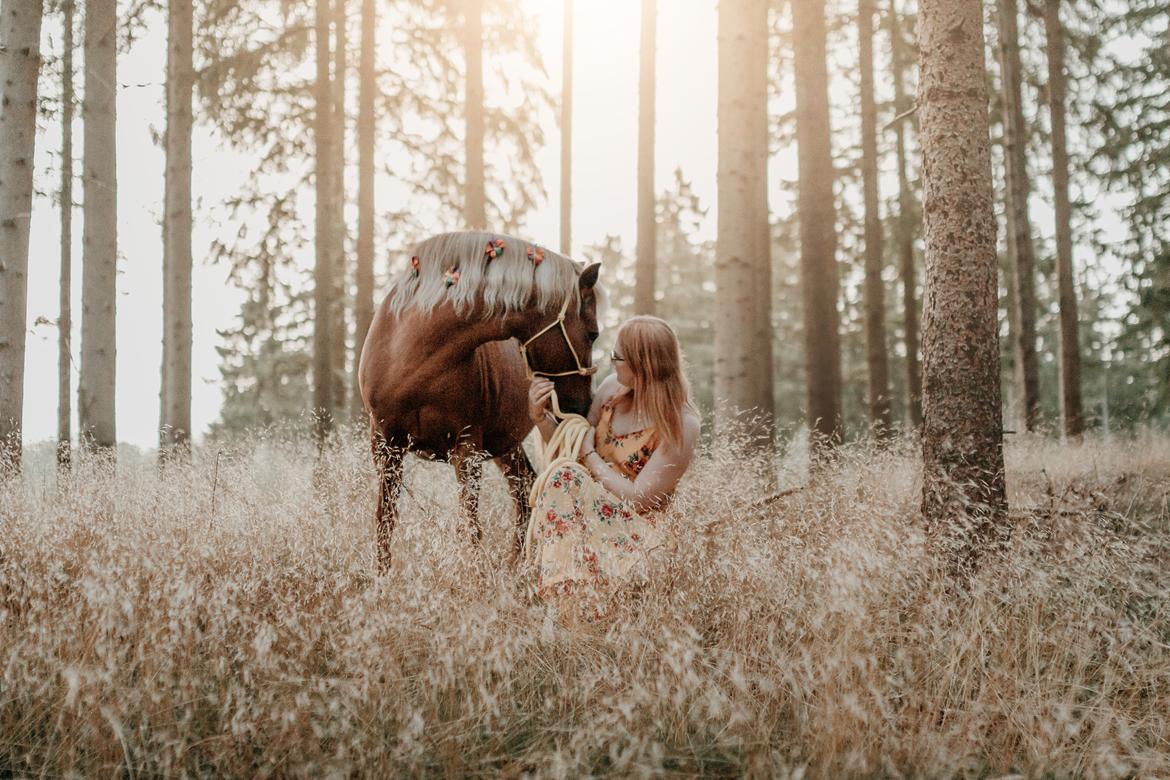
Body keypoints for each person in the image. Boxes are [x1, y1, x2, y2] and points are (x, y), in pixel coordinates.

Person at [526, 315, 701, 619]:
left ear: (643, 366)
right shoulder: (611, 390)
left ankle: (569, 610)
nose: (611, 362)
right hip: (589, 505)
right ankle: (569, 605)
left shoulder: (682, 424)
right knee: (564, 477)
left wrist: (591, 455)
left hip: (639, 527)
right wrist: (539, 417)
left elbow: (639, 499)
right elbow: (571, 449)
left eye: (617, 357)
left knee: (565, 478)